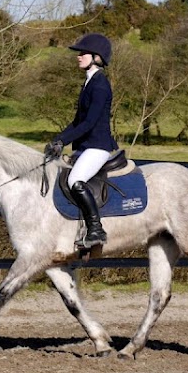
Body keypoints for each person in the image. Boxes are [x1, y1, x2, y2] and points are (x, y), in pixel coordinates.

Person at [44, 33, 119, 248]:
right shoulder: (88, 83)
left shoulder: (100, 85)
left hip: (98, 146)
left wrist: (64, 142)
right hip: (87, 146)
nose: (78, 56)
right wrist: (57, 140)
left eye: (83, 53)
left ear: (96, 57)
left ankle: (96, 230)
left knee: (74, 180)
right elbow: (77, 121)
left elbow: (90, 123)